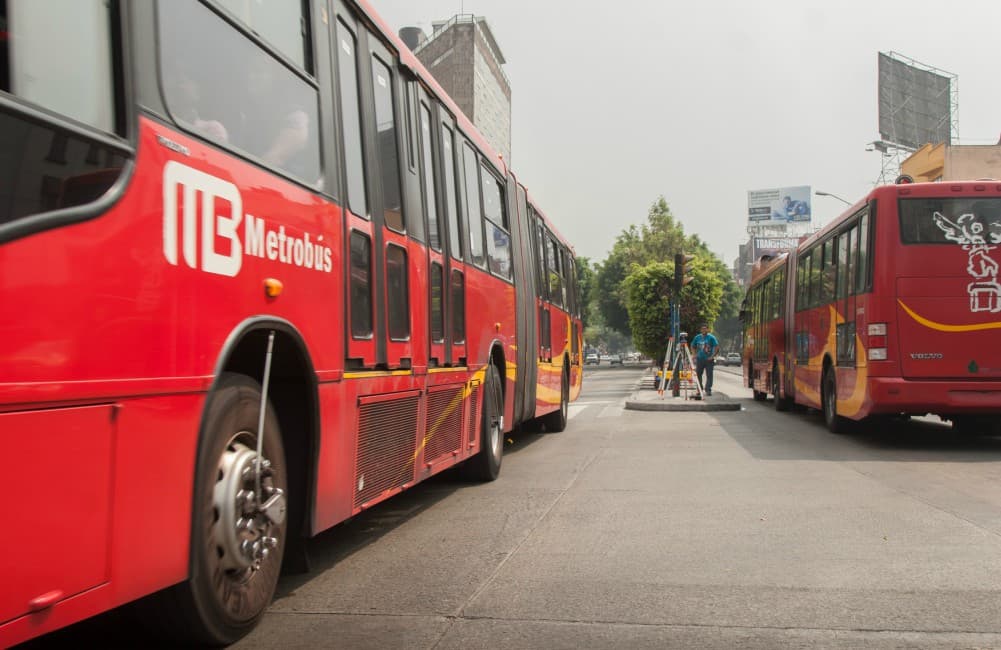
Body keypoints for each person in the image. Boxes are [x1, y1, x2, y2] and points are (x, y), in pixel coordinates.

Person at [691, 324, 719, 396]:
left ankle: (708, 389)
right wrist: (694, 355)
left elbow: (717, 347)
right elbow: (693, 346)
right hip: (700, 359)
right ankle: (699, 389)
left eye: (705, 329)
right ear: (701, 330)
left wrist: (712, 356)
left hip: (709, 360)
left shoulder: (711, 337)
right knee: (698, 374)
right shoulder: (697, 337)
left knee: (709, 375)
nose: (704, 330)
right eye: (702, 329)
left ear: (708, 329)